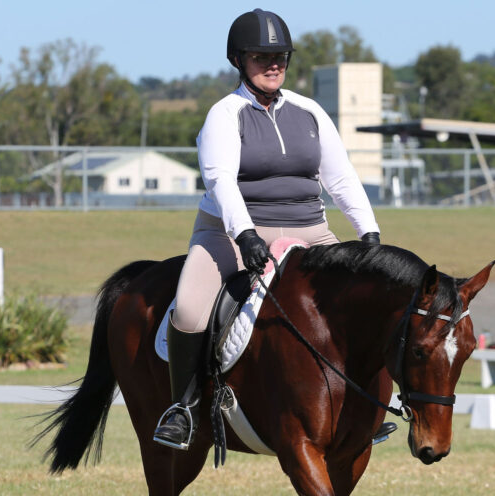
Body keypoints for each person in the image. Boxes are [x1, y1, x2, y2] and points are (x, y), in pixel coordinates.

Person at [153, 8, 382, 450]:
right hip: (230, 231)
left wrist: (368, 233)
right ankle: (183, 408)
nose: (273, 64)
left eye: (281, 56)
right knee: (187, 310)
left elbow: (340, 178)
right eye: (261, 56)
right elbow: (221, 180)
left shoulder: (310, 111)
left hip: (310, 230)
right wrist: (245, 234)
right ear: (238, 60)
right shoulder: (225, 114)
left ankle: (365, 406)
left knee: (367, 299)